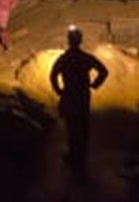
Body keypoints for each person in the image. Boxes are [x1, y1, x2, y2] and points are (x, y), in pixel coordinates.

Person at [50, 25, 108, 169]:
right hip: (82, 95)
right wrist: (95, 84)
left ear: (68, 41)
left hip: (69, 94)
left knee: (72, 127)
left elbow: (53, 75)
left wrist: (59, 90)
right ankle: (81, 157)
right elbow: (103, 71)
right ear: (80, 40)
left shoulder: (64, 58)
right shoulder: (86, 57)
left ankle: (73, 156)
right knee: (82, 125)